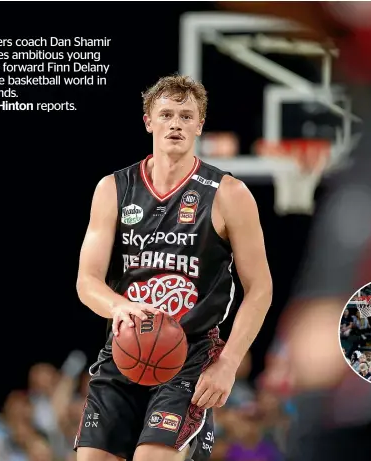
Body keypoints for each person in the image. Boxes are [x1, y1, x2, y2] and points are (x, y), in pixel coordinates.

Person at [74, 74, 273, 461]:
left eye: (186, 115)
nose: (176, 124)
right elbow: (87, 281)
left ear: (200, 124)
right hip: (125, 350)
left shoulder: (229, 194)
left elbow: (260, 288)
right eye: (166, 114)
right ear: (148, 120)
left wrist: (228, 363)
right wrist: (118, 307)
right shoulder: (113, 189)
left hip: (190, 356)